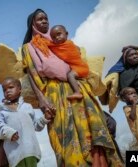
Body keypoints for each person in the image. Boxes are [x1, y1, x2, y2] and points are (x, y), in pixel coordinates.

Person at [22, 9, 123, 167]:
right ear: (33, 24)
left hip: (78, 87)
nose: (44, 22)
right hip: (55, 92)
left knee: (92, 126)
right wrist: (42, 99)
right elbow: (32, 73)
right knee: (65, 132)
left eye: (46, 19)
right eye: (40, 19)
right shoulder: (29, 47)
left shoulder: (57, 41)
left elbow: (75, 61)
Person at [0, 77, 52, 167]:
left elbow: (36, 125)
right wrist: (9, 133)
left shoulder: (27, 107)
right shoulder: (2, 112)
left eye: (11, 87)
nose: (7, 91)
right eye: (4, 90)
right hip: (14, 153)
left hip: (30, 149)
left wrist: (45, 118)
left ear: (20, 89)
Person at [32, 24, 89, 100]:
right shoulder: (60, 45)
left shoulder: (68, 44)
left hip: (81, 67)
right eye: (54, 37)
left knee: (70, 75)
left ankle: (77, 93)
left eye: (59, 34)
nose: (57, 38)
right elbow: (49, 44)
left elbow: (50, 45)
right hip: (75, 67)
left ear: (66, 34)